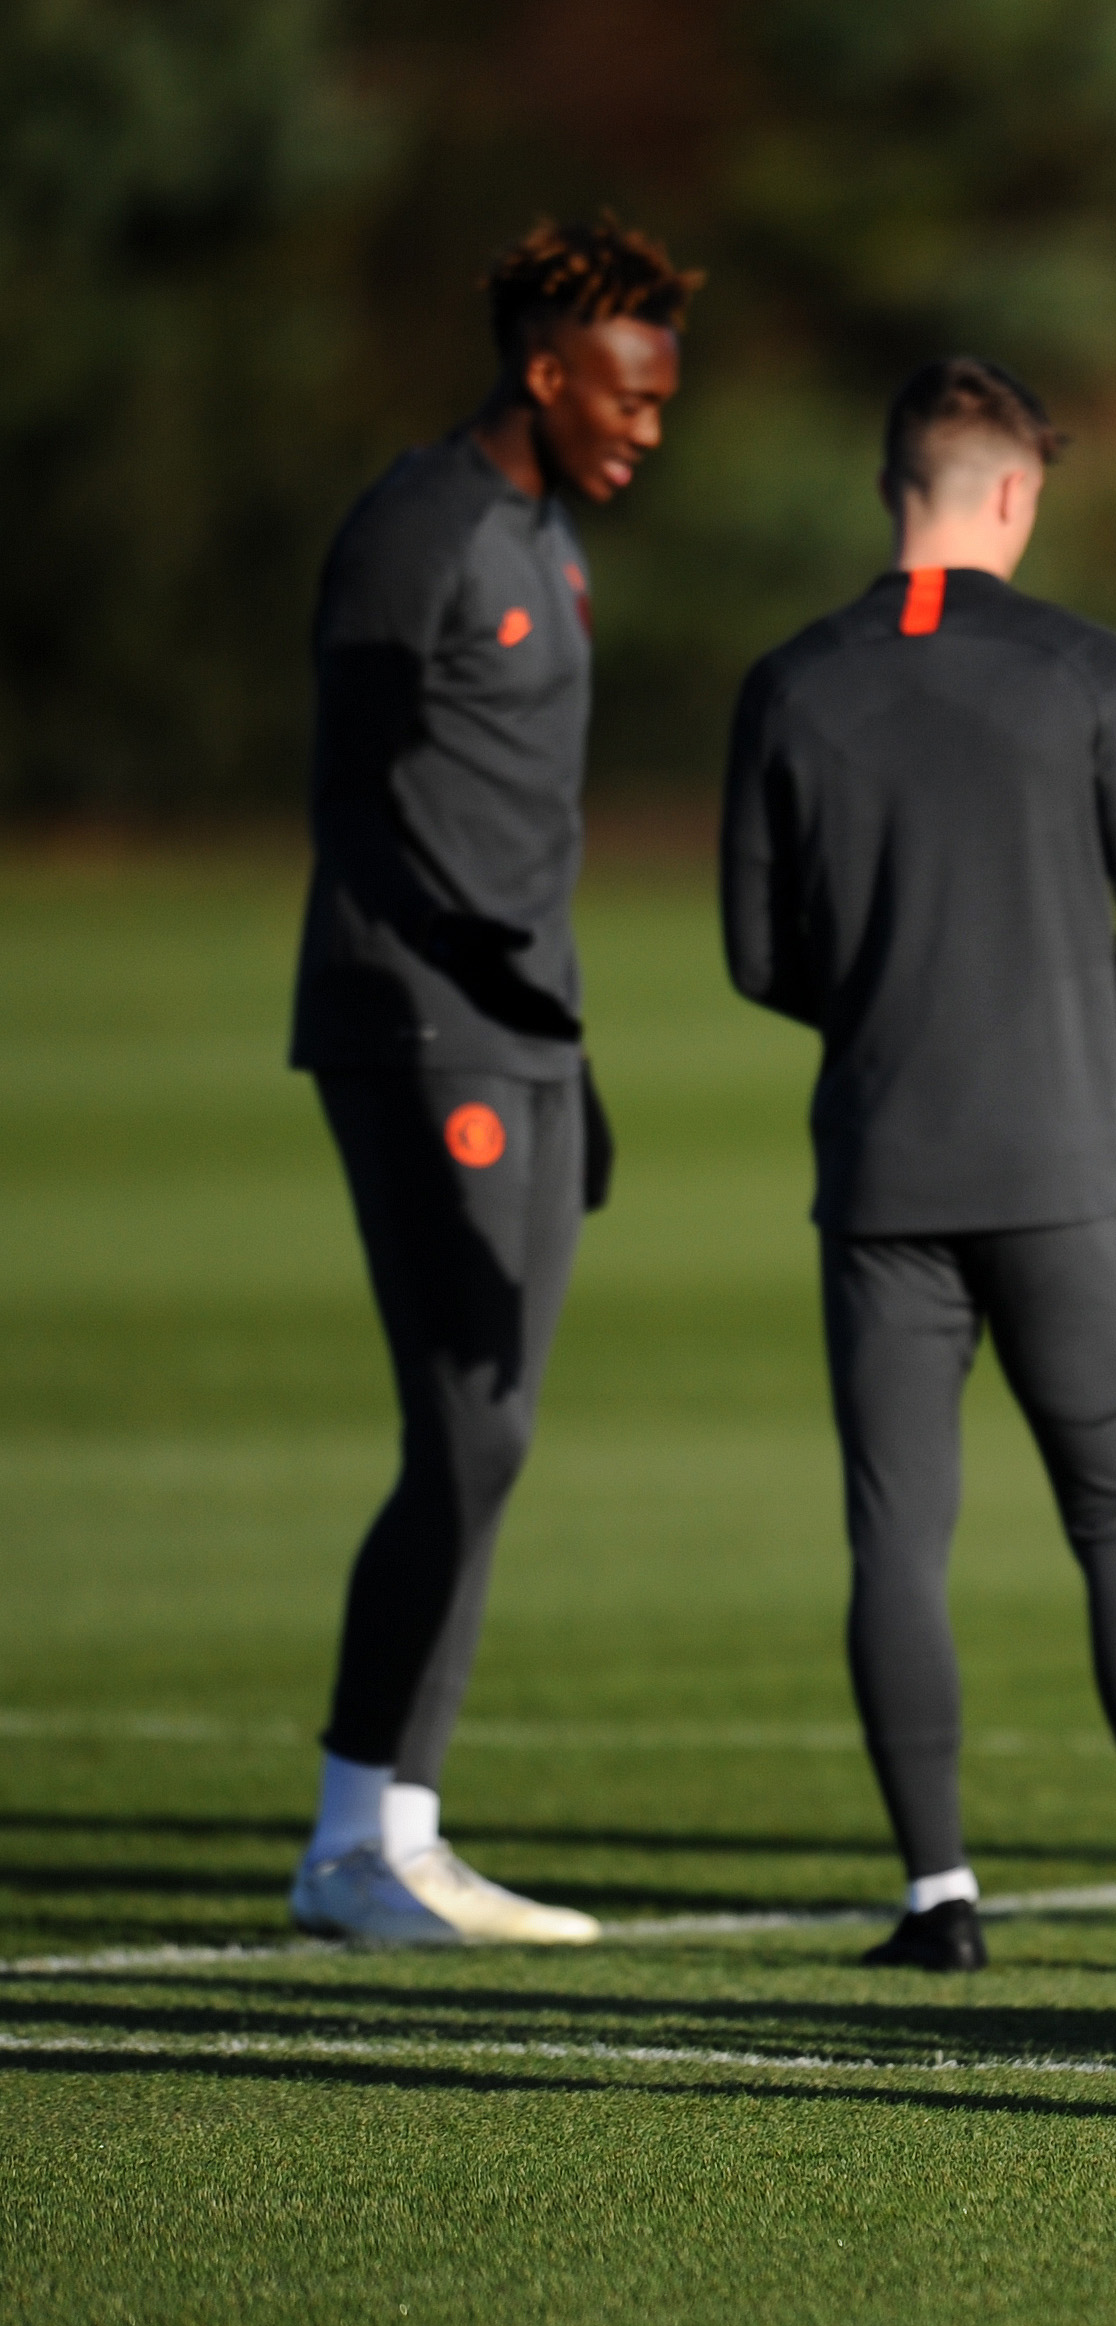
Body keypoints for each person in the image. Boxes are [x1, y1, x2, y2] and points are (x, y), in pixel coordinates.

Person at [720, 361, 1116, 1977]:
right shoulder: (1085, 669)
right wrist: (1096, 1044)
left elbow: (754, 954)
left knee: (893, 1541)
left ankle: (936, 1903)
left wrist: (881, 1012)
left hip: (878, 1172)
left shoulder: (789, 684)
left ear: (892, 490)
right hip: (1062, 1158)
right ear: (1014, 493)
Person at [284, 215, 698, 1945]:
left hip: (528, 1033)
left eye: (667, 399)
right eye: (627, 392)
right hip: (422, 1025)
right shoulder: (421, 528)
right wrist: (479, 990)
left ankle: (397, 1830)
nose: (650, 428)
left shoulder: (542, 536)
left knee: (494, 1432)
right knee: (469, 1422)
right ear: (544, 371)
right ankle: (356, 1840)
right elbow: (362, 801)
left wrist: (567, 1046)